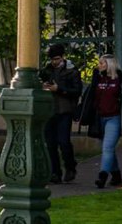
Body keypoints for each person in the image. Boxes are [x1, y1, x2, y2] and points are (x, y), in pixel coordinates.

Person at [77, 54, 122, 188]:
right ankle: (116, 176)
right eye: (99, 63)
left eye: (102, 63)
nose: (99, 65)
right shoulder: (97, 78)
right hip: (99, 118)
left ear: (110, 64)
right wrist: (81, 114)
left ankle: (102, 176)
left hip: (114, 118)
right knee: (109, 149)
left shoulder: (121, 80)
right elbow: (89, 97)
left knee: (107, 148)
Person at [40, 43, 82, 183]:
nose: (55, 62)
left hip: (65, 110)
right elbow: (41, 81)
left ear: (63, 57)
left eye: (57, 59)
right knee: (50, 143)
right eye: (53, 59)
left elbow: (76, 91)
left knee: (64, 142)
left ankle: (70, 167)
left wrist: (59, 89)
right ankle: (55, 172)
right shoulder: (47, 70)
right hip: (50, 110)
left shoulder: (72, 71)